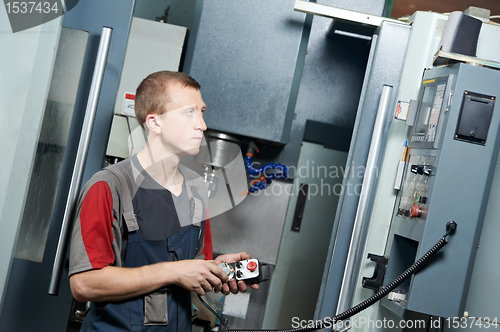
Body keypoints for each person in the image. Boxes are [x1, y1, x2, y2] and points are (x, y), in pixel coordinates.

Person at [68, 71, 258, 331]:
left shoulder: (195, 190)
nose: (202, 125)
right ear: (155, 123)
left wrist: (217, 270)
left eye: (202, 112)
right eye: (189, 112)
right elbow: (84, 284)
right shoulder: (109, 186)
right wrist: (175, 272)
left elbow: (193, 265)